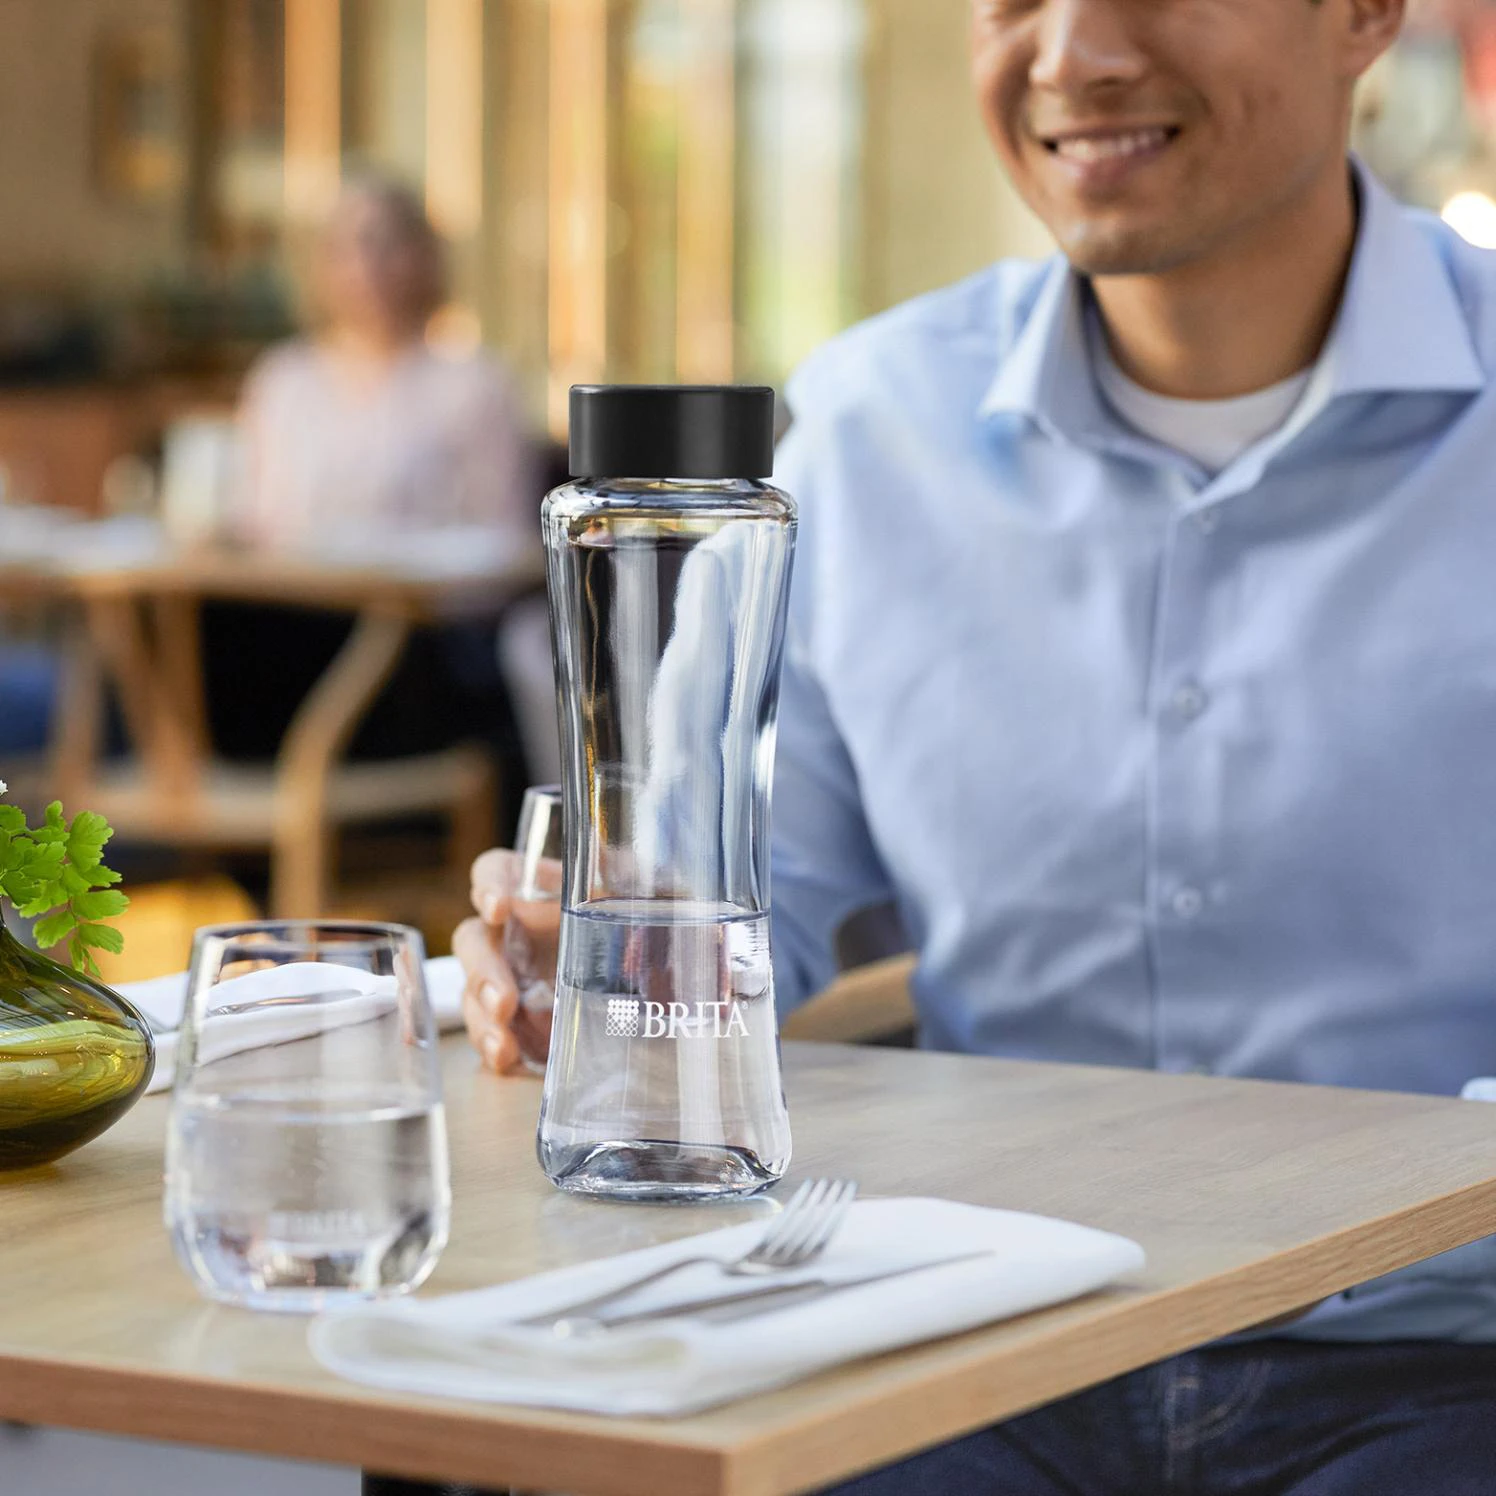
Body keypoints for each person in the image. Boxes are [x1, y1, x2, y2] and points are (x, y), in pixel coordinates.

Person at [457, 0, 1496, 1488]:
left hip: (1446, 1358)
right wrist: (588, 969)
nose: (1072, 55)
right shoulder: (875, 434)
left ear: (1365, 15)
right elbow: (709, 904)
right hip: (975, 1343)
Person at [209, 176, 541, 809]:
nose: (367, 265)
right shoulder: (284, 381)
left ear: (425, 255)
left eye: (386, 244)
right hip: (290, 629)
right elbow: (255, 521)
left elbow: (508, 550)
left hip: (415, 652)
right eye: (345, 246)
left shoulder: (474, 384)